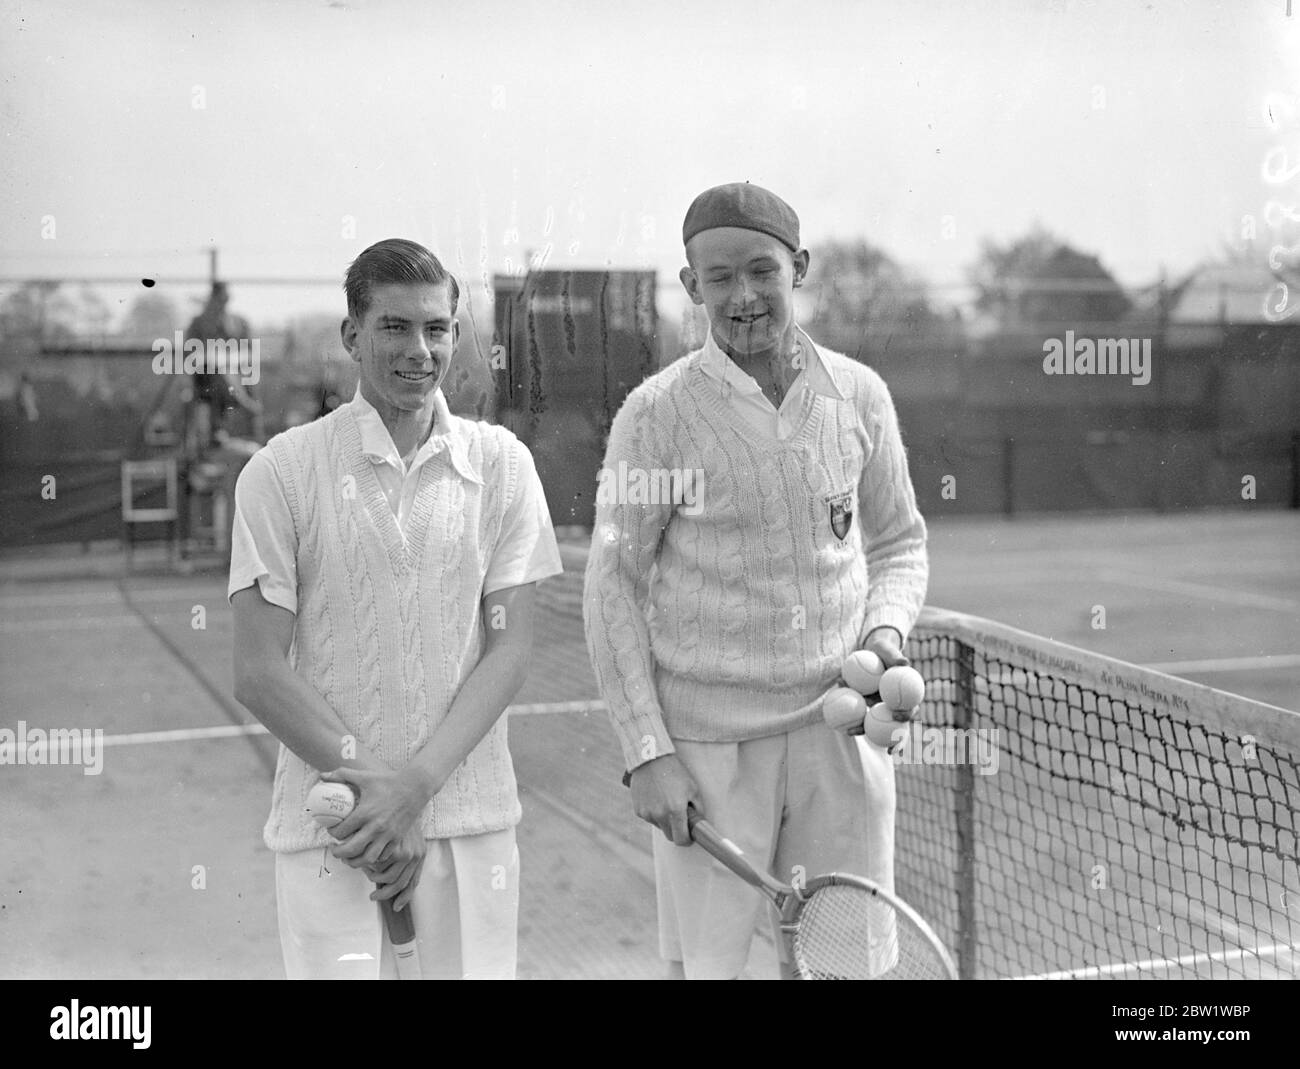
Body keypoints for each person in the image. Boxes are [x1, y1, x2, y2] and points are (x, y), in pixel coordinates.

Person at [584, 183, 928, 980]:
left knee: (846, 970)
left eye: (762, 271)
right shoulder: (654, 414)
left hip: (839, 744)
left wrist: (883, 636)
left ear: (798, 268)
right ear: (689, 285)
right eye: (718, 278)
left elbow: (901, 542)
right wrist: (647, 752)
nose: (742, 297)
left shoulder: (860, 396)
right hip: (707, 756)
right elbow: (612, 584)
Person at [229, 238, 563, 979]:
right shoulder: (280, 472)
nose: (421, 349)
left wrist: (411, 791)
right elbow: (256, 669)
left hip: (471, 831)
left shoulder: (503, 463)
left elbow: (508, 651)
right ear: (352, 335)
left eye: (437, 328)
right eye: (394, 327)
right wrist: (376, 792)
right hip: (336, 832)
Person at [185, 281, 261, 447]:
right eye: (219, 299)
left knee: (236, 375)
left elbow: (247, 352)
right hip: (207, 374)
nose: (222, 304)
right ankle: (218, 428)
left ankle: (248, 420)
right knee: (219, 376)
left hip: (233, 370)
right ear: (213, 299)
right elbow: (190, 354)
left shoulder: (237, 322)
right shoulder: (199, 323)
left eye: (224, 299)